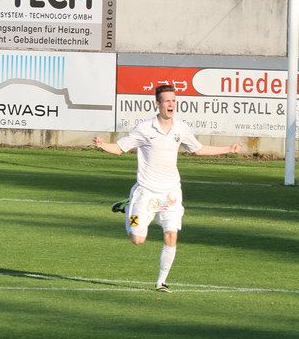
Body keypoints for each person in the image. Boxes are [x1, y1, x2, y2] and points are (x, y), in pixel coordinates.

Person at [93, 84, 242, 293]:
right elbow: (119, 148)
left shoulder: (181, 128)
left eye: (173, 100)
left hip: (169, 194)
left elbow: (198, 149)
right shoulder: (145, 128)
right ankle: (128, 210)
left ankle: (161, 282)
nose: (171, 104)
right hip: (146, 193)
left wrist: (228, 149)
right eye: (167, 101)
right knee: (137, 239)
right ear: (158, 104)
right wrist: (103, 145)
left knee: (171, 234)